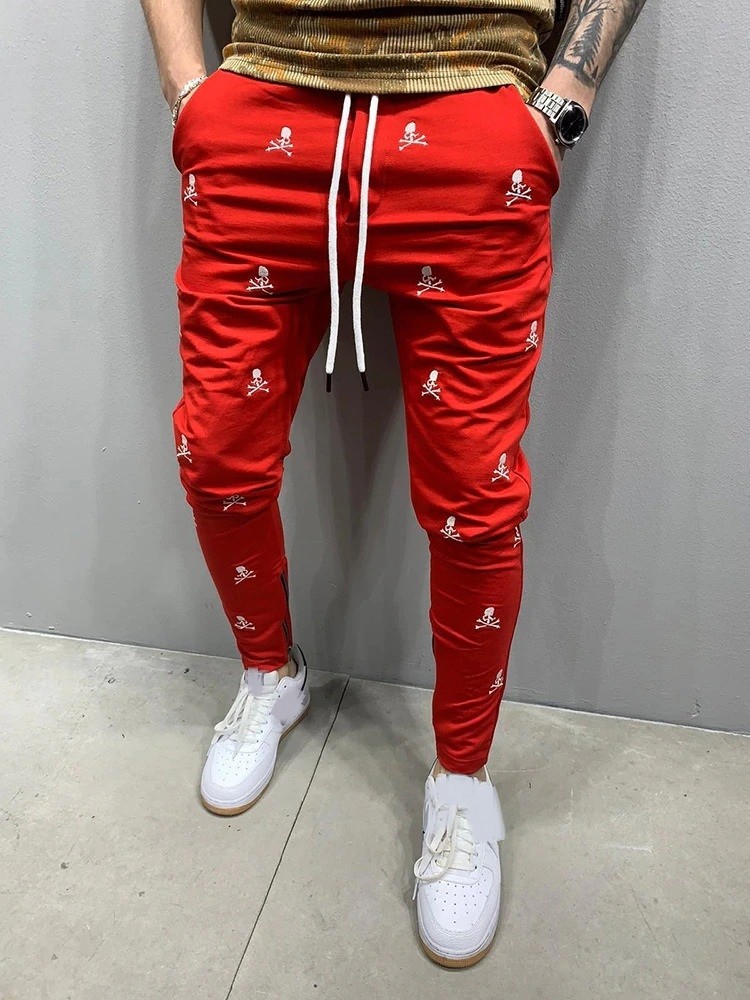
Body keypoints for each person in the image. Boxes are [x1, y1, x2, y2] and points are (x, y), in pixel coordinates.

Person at [140, 0, 647, 968]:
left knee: (475, 497)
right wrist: (186, 90)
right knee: (216, 452)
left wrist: (564, 98)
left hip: (474, 116)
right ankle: (269, 676)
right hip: (261, 111)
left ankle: (462, 782)